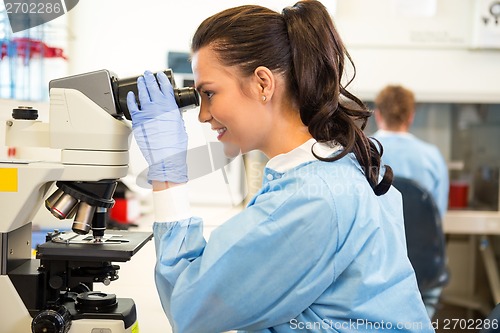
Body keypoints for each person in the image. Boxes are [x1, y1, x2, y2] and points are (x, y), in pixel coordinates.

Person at [127, 1, 434, 332]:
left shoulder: (311, 199)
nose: (202, 114)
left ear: (262, 84)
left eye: (210, 93)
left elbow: (191, 308)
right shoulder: (332, 168)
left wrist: (167, 175)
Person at [373, 85, 449, 319]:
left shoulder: (361, 152)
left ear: (377, 114)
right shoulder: (431, 156)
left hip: (376, 265)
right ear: (411, 116)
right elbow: (439, 216)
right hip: (422, 266)